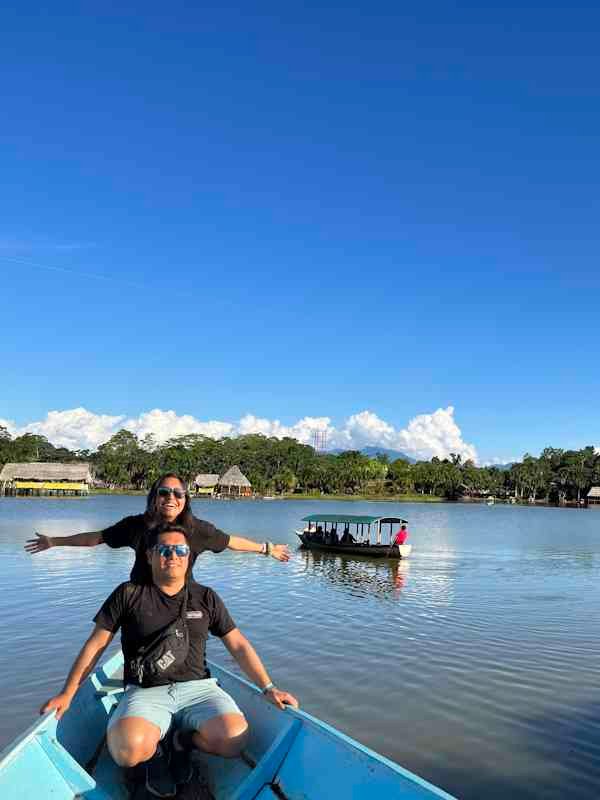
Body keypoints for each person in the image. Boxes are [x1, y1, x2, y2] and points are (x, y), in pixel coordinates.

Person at [41, 523, 299, 798]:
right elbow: (96, 645)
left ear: (189, 557)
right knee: (126, 751)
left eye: (180, 550)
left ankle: (181, 741)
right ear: (150, 556)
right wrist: (68, 693)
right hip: (145, 691)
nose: (172, 555)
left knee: (234, 740)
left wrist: (269, 687)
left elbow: (238, 645)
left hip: (199, 690)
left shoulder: (206, 597)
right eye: (164, 550)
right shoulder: (128, 594)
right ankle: (152, 755)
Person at [25, 473, 290, 583]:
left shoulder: (197, 529)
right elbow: (95, 538)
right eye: (164, 492)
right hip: (140, 596)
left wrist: (267, 549)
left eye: (178, 493)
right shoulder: (135, 526)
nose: (171, 498)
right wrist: (55, 541)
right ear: (154, 497)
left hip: (180, 598)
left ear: (186, 500)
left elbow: (231, 541)